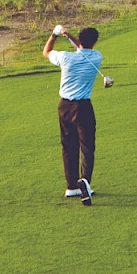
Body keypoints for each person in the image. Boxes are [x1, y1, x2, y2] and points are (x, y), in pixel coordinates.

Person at [44, 24, 103, 205]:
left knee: (69, 146)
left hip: (64, 106)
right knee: (87, 146)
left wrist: (55, 34)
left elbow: (46, 52)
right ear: (95, 42)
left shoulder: (64, 57)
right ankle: (84, 180)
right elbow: (83, 48)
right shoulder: (97, 57)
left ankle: (71, 187)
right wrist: (69, 36)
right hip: (83, 107)